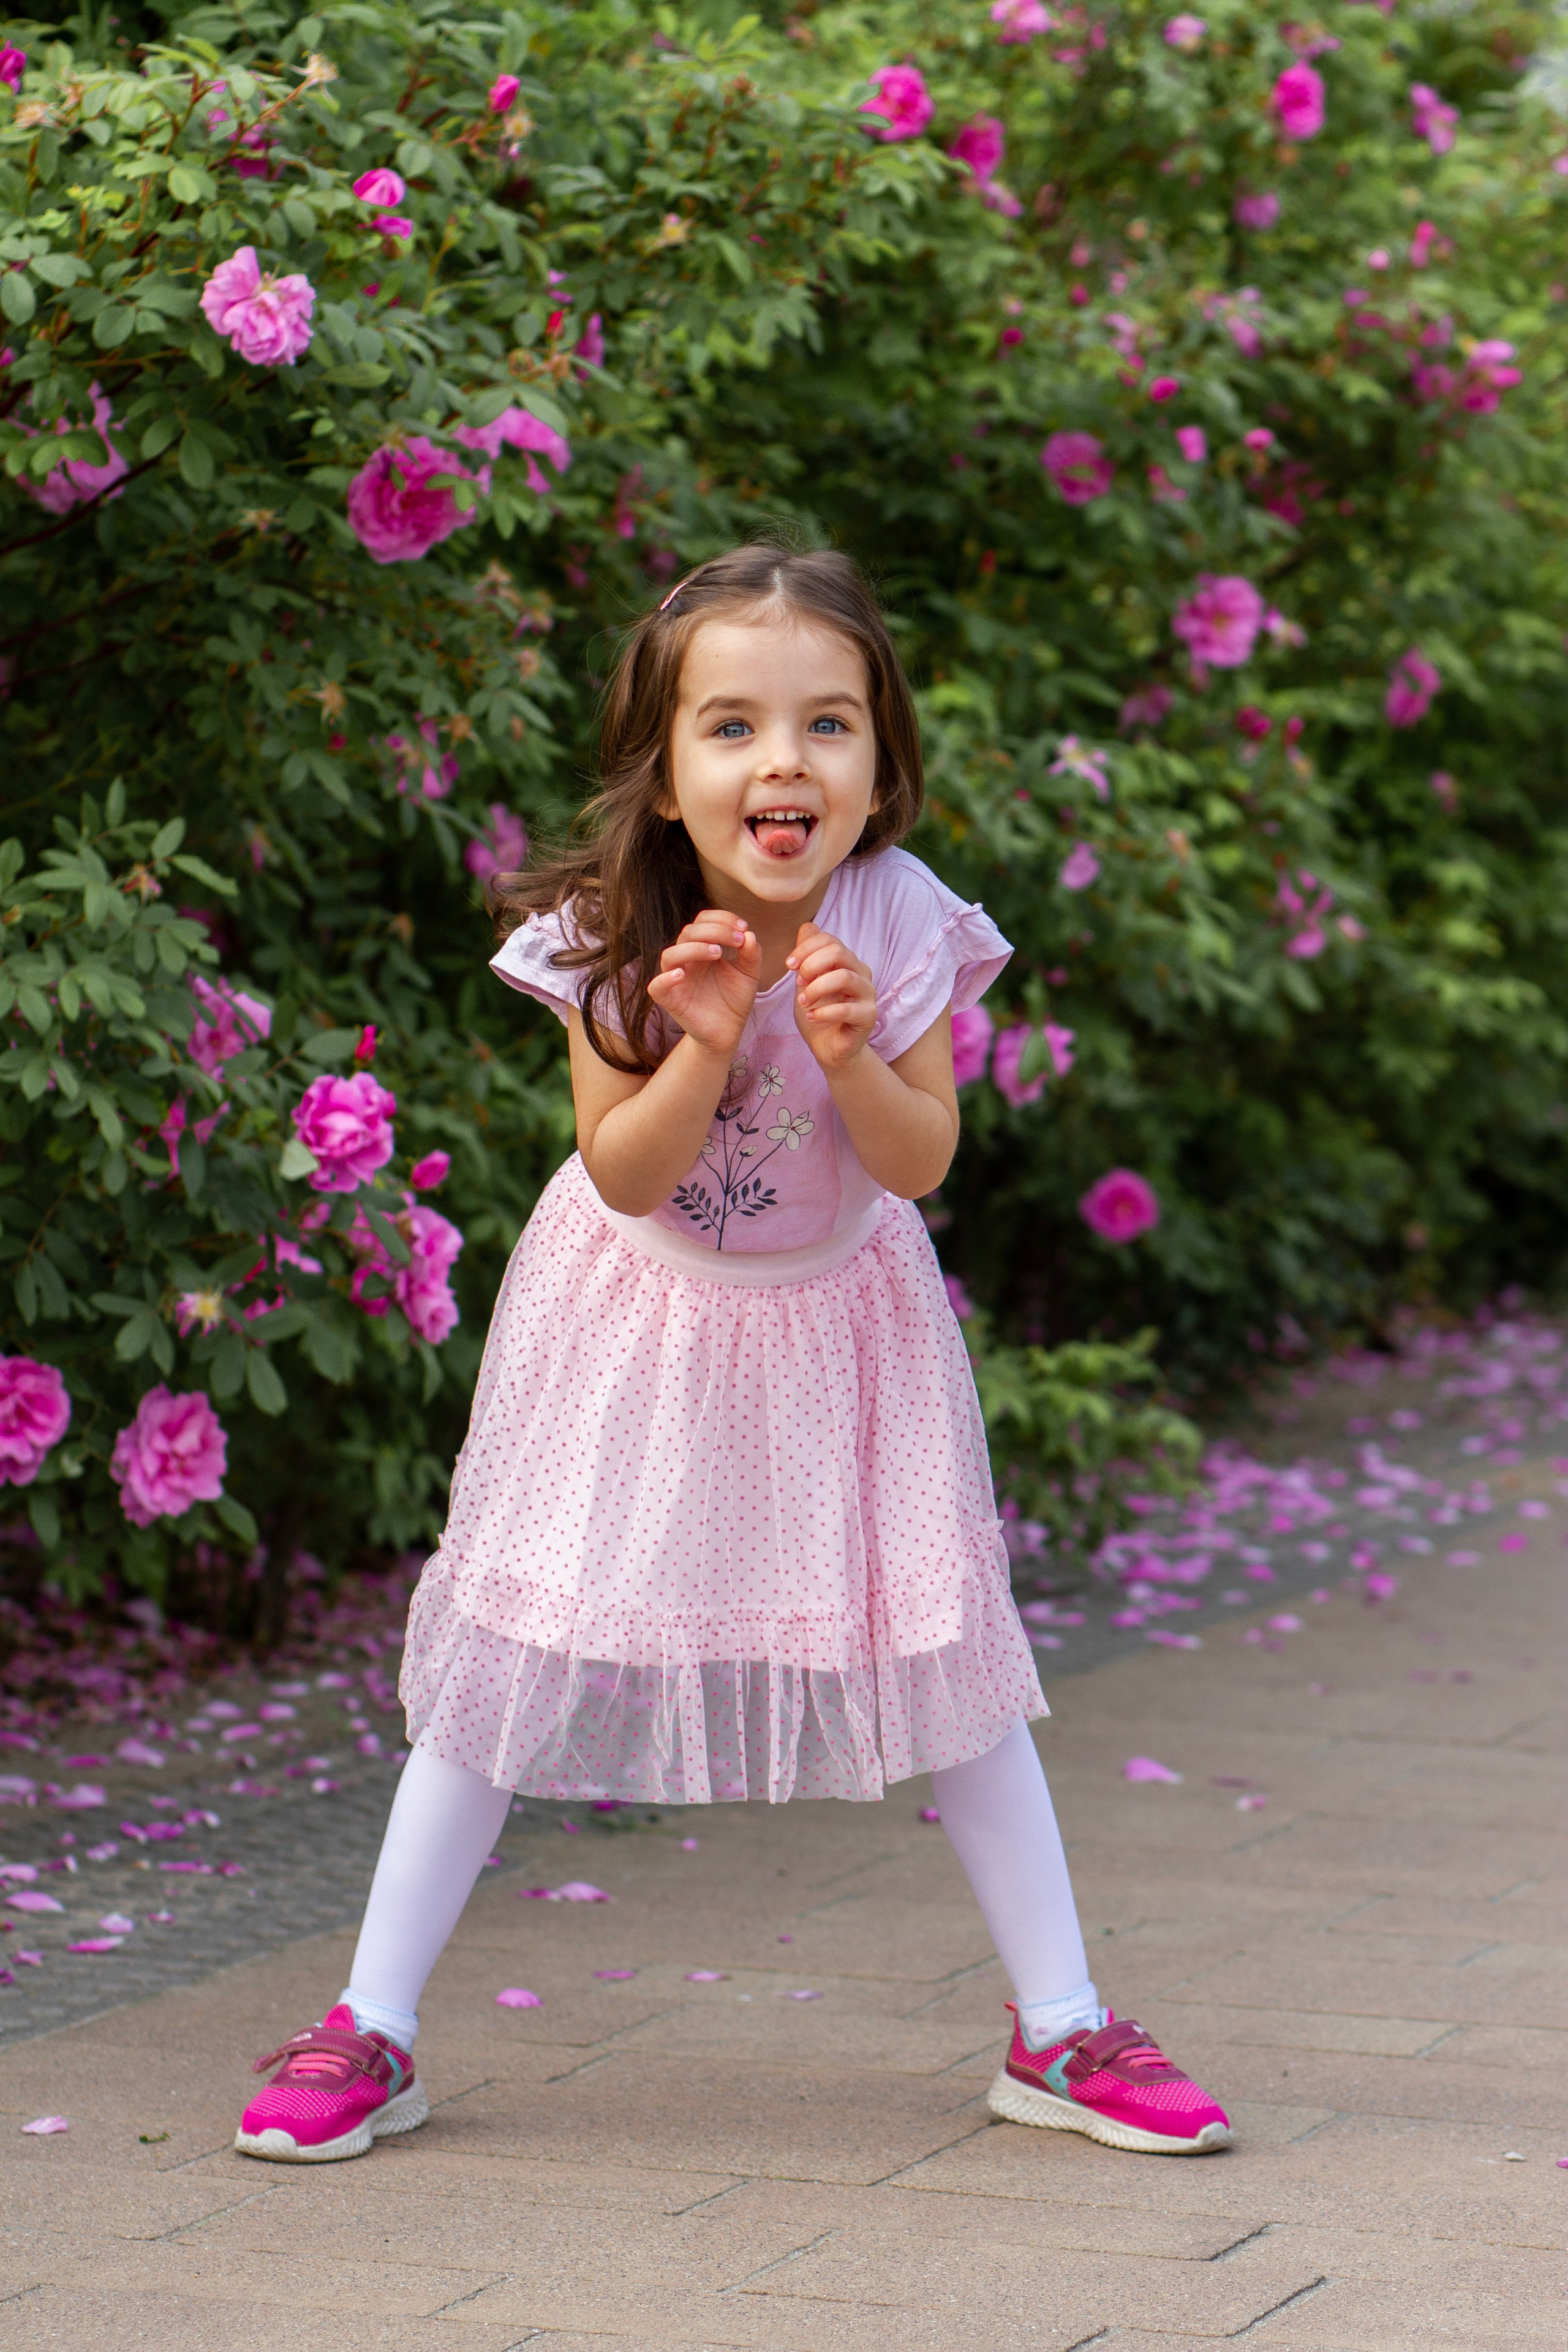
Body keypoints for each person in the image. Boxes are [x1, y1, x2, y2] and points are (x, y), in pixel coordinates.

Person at [234, 545, 1230, 2165]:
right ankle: (374, 2026)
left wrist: (844, 1054)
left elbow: (916, 1163)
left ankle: (1060, 2029)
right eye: (735, 727)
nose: (785, 762)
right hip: (637, 1318)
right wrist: (703, 1041)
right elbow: (625, 1170)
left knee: (946, 1655)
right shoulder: (616, 925)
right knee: (512, 1645)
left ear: (880, 763)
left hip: (846, 1327)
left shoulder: (901, 916)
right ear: (667, 766)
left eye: (830, 725)